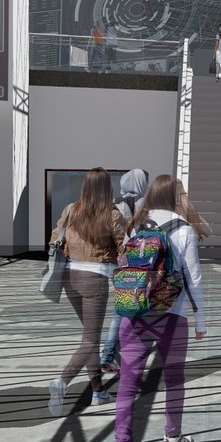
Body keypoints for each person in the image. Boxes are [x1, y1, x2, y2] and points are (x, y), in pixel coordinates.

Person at [111, 175, 209, 442]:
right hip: (173, 313)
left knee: (128, 381)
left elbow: (124, 267)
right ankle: (171, 438)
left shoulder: (136, 226)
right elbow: (194, 278)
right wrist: (200, 319)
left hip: (136, 313)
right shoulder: (184, 229)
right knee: (174, 379)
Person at [46, 168, 128, 415]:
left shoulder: (71, 209)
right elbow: (124, 247)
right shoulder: (112, 215)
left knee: (89, 338)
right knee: (90, 339)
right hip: (96, 279)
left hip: (70, 278)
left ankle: (98, 391)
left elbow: (54, 241)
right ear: (107, 188)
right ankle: (62, 381)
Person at [98, 168, 151, 375]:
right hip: (137, 263)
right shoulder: (143, 205)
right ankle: (109, 356)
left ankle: (113, 355)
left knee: (124, 310)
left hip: (117, 264)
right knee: (125, 313)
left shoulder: (115, 203)